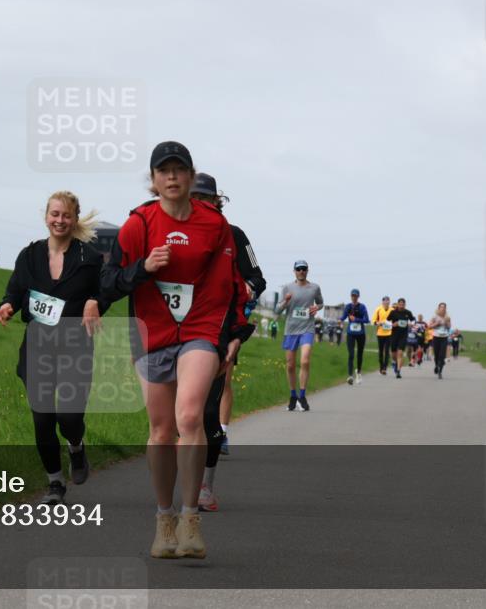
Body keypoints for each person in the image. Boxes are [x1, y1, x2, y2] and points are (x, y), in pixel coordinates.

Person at [101, 141, 251, 559]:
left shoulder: (215, 226)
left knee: (190, 415)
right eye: (163, 170)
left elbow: (232, 286)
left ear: (190, 176)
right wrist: (143, 268)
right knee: (162, 430)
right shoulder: (138, 225)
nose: (171, 177)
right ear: (152, 181)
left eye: (178, 170)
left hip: (200, 330)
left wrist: (234, 334)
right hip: (152, 333)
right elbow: (109, 282)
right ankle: (163, 518)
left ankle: (190, 518)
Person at [0, 192, 107, 505]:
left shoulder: (89, 258)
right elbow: (14, 289)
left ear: (74, 219)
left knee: (69, 417)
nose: (60, 220)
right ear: (46, 216)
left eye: (66, 215)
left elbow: (104, 289)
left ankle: (77, 447)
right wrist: (7, 306)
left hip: (75, 346)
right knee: (42, 417)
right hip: (39, 345)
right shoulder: (29, 255)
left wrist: (96, 302)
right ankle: (55, 482)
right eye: (55, 214)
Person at [189, 173, 266, 511]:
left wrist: (237, 292)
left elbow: (256, 278)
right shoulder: (173, 234)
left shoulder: (233, 235)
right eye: (194, 199)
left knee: (207, 410)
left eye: (205, 200)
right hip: (177, 333)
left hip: (220, 329)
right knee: (180, 413)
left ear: (215, 201)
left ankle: (206, 484)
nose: (199, 205)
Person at [275, 260, 323, 411]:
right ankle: (293, 395)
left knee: (305, 360)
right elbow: (277, 310)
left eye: (304, 269)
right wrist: (285, 302)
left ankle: (302, 395)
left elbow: (321, 303)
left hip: (307, 329)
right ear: (294, 271)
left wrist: (316, 307)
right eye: (298, 269)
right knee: (290, 365)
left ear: (308, 270)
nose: (301, 271)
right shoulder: (288, 288)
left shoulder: (314, 287)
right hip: (291, 330)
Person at [340, 288, 369, 384]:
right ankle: (350, 376)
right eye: (352, 296)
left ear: (358, 296)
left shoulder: (362, 307)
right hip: (351, 334)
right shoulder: (348, 307)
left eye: (355, 296)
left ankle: (359, 372)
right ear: (351, 296)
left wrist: (356, 319)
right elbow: (343, 317)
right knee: (351, 354)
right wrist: (339, 320)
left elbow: (366, 320)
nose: (354, 297)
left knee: (359, 354)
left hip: (361, 334)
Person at [387, 298, 415, 379]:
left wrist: (411, 324)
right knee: (393, 354)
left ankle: (398, 371)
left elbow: (413, 320)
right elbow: (387, 321)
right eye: (400, 304)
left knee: (400, 353)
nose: (401, 305)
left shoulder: (408, 312)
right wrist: (392, 324)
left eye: (403, 304)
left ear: (405, 305)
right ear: (398, 304)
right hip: (394, 335)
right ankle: (395, 363)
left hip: (403, 335)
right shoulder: (393, 312)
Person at [428, 303, 452, 379]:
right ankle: (436, 365)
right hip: (436, 337)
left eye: (444, 307)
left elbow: (449, 327)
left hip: (444, 337)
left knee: (442, 355)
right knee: (437, 355)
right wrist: (436, 324)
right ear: (438, 308)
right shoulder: (434, 317)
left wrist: (446, 323)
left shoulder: (447, 317)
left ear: (445, 309)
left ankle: (440, 371)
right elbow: (429, 326)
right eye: (441, 307)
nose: (442, 309)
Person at [371, 296, 393, 375]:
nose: (387, 302)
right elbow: (373, 321)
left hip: (389, 333)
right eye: (385, 301)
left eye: (388, 301)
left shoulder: (392, 310)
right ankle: (381, 366)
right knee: (381, 351)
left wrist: (393, 324)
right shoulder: (378, 309)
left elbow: (395, 320)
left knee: (387, 351)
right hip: (380, 333)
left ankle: (385, 368)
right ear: (382, 302)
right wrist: (378, 323)